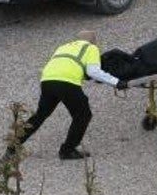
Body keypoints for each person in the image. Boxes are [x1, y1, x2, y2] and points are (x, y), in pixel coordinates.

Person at [9, 30, 128, 160]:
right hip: (67, 82)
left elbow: (71, 64)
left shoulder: (63, 47)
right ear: (93, 41)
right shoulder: (91, 48)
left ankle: (12, 147)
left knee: (40, 115)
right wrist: (116, 82)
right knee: (83, 115)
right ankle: (67, 150)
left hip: (47, 80)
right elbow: (93, 71)